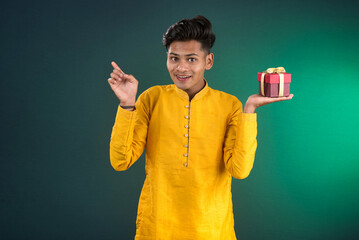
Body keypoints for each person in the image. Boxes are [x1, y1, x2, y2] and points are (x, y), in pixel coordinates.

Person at [107, 15, 293, 240]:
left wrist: (250, 109)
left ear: (209, 61)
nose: (181, 67)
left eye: (192, 59)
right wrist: (127, 104)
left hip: (212, 230)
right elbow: (120, 160)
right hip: (157, 228)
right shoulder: (151, 98)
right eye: (174, 58)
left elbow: (240, 170)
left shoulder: (229, 105)